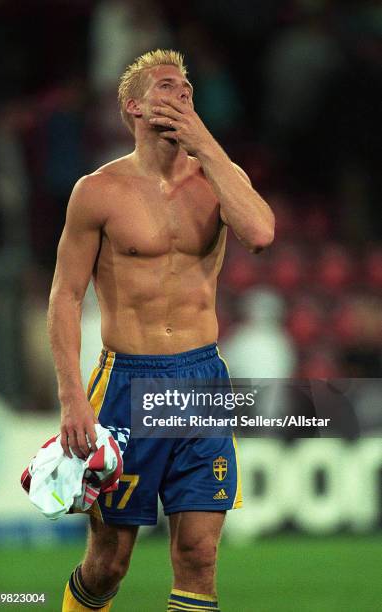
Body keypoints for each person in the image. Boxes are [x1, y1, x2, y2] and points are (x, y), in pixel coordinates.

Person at [48, 49, 274, 612]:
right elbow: (66, 296)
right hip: (126, 382)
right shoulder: (97, 191)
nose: (181, 95)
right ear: (133, 107)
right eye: (167, 87)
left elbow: (262, 233)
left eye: (188, 89)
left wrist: (208, 146)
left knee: (199, 556)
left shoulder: (219, 178)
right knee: (109, 562)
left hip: (201, 381)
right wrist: (72, 396)